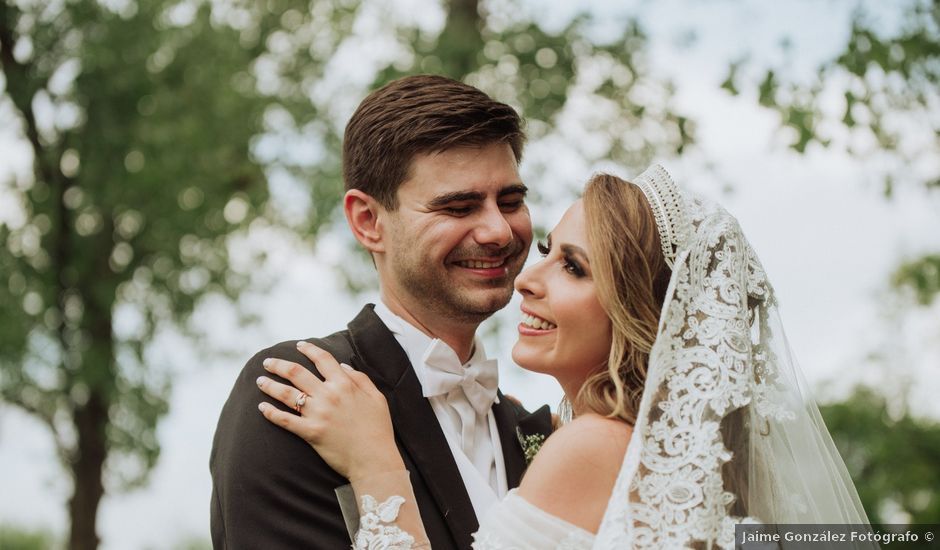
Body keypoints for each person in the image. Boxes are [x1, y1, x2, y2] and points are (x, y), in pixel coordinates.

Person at [256, 165, 874, 549]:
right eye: (548, 249)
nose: (527, 277)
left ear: (639, 313)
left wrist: (376, 468)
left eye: (574, 267)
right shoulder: (655, 457)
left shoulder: (593, 450)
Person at [210, 75, 553, 550]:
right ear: (369, 222)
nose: (498, 230)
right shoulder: (304, 391)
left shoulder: (535, 436)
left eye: (511, 201)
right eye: (458, 207)